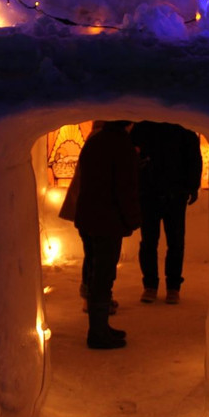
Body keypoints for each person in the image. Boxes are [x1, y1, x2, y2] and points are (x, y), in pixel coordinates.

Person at [68, 120, 141, 349]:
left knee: (94, 269)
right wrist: (133, 218)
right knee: (104, 274)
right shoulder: (121, 144)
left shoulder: (95, 141)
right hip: (107, 219)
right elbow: (125, 187)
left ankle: (100, 326)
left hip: (89, 216)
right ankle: (98, 333)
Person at [129, 121, 203, 304]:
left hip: (167, 194)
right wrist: (192, 187)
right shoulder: (182, 128)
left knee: (164, 242)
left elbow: (194, 159)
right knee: (159, 242)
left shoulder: (143, 127)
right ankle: (158, 286)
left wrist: (192, 186)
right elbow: (194, 159)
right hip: (159, 193)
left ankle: (166, 287)